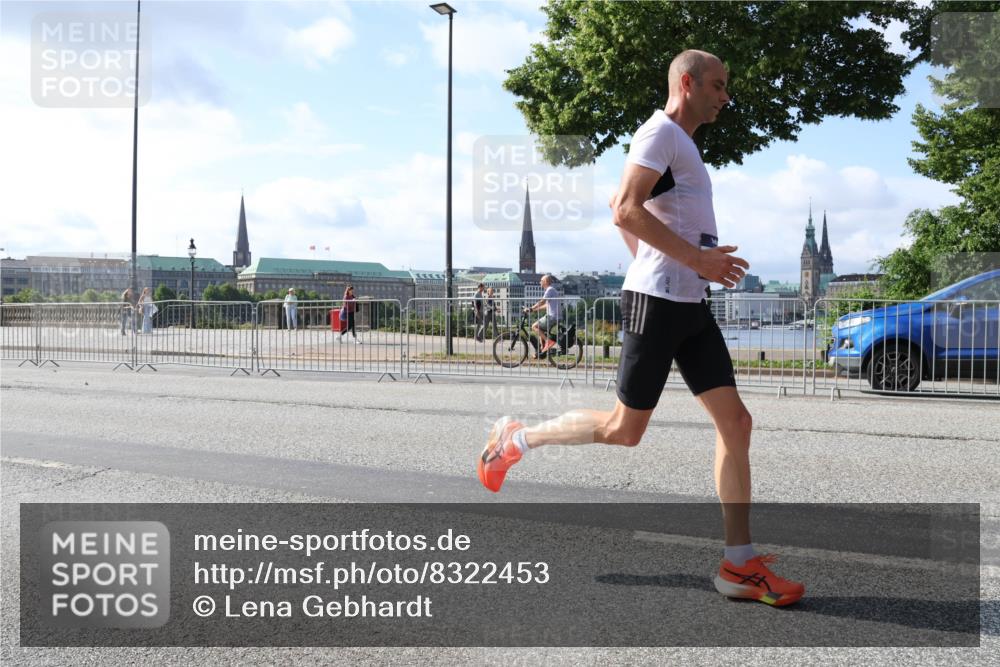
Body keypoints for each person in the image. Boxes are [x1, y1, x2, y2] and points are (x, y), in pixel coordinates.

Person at [476, 50, 804, 607]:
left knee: (737, 422)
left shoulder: (683, 144)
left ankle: (739, 565)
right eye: (719, 85)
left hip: (689, 303)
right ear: (687, 82)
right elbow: (625, 209)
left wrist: (677, 264)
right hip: (658, 303)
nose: (726, 96)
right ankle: (516, 439)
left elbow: (618, 203)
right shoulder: (659, 135)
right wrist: (690, 262)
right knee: (624, 431)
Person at [528, 275, 561, 354]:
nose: (540, 282)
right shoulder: (552, 290)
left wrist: (531, 308)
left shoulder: (549, 290)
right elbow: (546, 305)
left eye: (541, 281)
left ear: (545, 282)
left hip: (552, 317)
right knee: (540, 329)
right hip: (555, 316)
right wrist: (534, 310)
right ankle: (542, 350)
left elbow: (542, 301)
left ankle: (548, 342)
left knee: (534, 326)